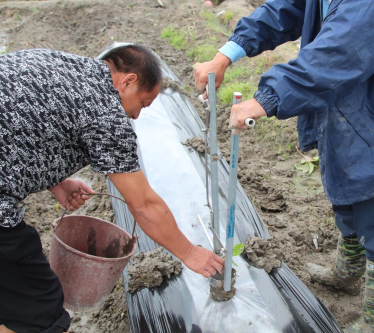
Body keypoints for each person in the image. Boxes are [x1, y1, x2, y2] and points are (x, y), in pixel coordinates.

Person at [194, 0, 374, 331]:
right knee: (344, 184)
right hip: (341, 102)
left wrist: (267, 98)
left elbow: (342, 50)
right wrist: (226, 55)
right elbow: (286, 8)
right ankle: (346, 273)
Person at [0, 45, 224, 333]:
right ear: (127, 81)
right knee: (40, 311)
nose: (137, 116)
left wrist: (56, 181)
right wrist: (190, 253)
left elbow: (25, 124)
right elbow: (143, 205)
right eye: (143, 104)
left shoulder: (60, 62)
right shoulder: (106, 114)